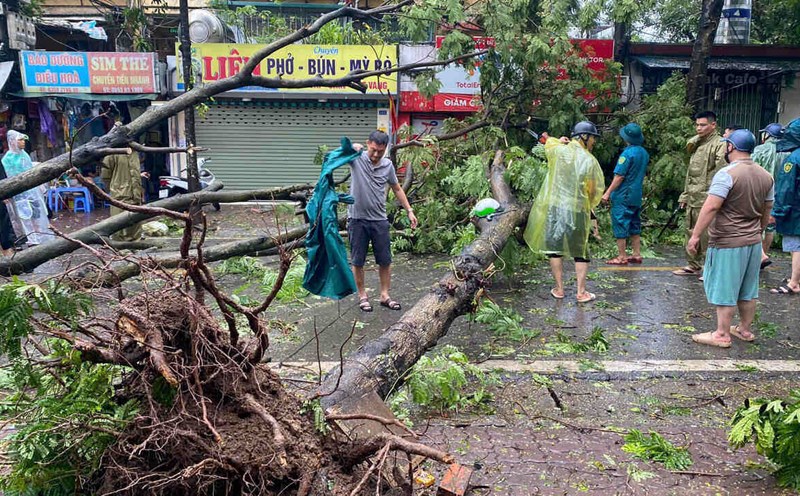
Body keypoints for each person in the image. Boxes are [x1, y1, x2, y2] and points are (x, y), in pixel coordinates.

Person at [688, 129, 774, 348]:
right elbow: (767, 209)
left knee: (725, 287)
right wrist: (758, 231)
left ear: (731, 147)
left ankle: (721, 334)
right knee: (748, 288)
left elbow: (712, 206)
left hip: (728, 241)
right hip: (752, 242)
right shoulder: (766, 176)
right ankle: (744, 330)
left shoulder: (726, 174)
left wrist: (696, 235)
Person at [523, 121, 605, 303]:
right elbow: (594, 190)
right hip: (577, 209)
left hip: (555, 208)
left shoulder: (558, 150)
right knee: (581, 250)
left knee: (554, 249)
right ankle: (581, 292)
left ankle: (559, 289)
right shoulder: (589, 160)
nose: (594, 142)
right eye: (592, 138)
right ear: (584, 137)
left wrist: (559, 141)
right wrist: (588, 206)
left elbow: (548, 142)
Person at [348, 130, 418, 312]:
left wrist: (409, 210)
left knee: (385, 259)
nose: (376, 154)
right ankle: (362, 296)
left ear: (385, 149)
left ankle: (385, 295)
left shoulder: (387, 165)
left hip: (379, 219)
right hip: (357, 219)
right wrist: (350, 147)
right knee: (358, 260)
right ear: (367, 144)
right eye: (373, 150)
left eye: (380, 151)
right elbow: (334, 157)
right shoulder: (356, 158)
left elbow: (397, 188)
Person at [673, 111, 727, 278]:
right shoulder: (697, 143)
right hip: (693, 196)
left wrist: (716, 196)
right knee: (690, 230)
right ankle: (693, 264)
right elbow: (691, 173)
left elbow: (721, 172)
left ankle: (709, 267)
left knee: (707, 234)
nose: (698, 128)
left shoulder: (720, 144)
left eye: (703, 125)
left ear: (713, 125)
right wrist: (685, 195)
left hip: (708, 196)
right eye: (697, 125)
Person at [602, 123, 650, 265]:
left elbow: (619, 176)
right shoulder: (644, 153)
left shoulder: (627, 154)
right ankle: (636, 254)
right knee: (635, 223)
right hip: (636, 194)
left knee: (620, 222)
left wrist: (607, 193)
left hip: (624, 194)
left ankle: (621, 256)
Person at [1, 131, 52, 246]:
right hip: (19, 194)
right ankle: (31, 239)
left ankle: (41, 236)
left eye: (24, 140)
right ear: (13, 141)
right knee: (24, 217)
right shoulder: (7, 159)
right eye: (20, 140)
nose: (23, 142)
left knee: (37, 215)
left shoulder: (25, 155)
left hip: (32, 192)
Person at [752, 123, 790, 268]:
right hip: (780, 195)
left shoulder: (760, 149)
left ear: (767, 135)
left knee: (756, 224)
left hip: (761, 192)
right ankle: (763, 255)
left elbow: (752, 168)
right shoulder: (788, 151)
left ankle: (759, 256)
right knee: (770, 227)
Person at [769, 118, 800, 295]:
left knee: (796, 246)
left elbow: (786, 189)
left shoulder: (793, 159)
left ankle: (794, 282)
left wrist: (777, 212)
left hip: (795, 212)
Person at [101, 133, 149, 241]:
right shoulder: (112, 153)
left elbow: (132, 171)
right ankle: (121, 249)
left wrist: (139, 177)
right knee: (119, 226)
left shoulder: (135, 152)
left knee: (135, 224)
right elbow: (105, 175)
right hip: (120, 195)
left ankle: (135, 247)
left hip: (135, 194)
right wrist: (113, 189)